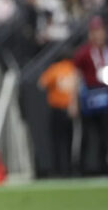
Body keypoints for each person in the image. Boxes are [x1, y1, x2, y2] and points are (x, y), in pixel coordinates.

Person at [72, 16, 108, 175]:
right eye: (95, 31)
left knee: (104, 133)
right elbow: (76, 76)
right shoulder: (84, 52)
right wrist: (73, 101)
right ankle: (81, 167)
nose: (98, 35)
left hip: (105, 95)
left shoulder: (106, 51)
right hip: (89, 96)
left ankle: (102, 165)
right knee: (86, 134)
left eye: (100, 31)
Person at [39, 49, 79, 177]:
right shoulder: (73, 69)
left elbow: (42, 83)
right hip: (70, 108)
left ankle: (58, 169)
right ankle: (69, 168)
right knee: (69, 140)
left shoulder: (55, 68)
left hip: (57, 108)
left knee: (57, 140)